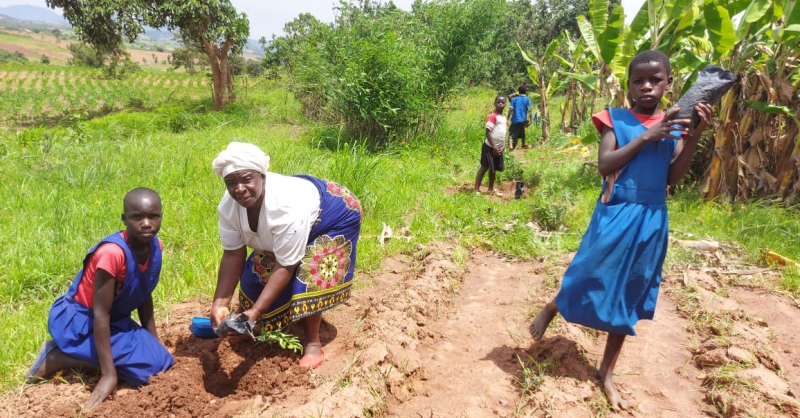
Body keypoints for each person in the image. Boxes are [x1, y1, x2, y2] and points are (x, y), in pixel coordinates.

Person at [528, 50, 714, 411]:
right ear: (627, 85)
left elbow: (672, 178)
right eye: (638, 80)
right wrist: (647, 135)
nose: (646, 87)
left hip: (652, 215)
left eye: (655, 80)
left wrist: (694, 135)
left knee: (629, 292)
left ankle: (607, 372)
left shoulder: (675, 122)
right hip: (616, 212)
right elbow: (605, 165)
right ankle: (554, 305)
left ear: (668, 83)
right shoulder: (614, 119)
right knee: (588, 272)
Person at [209, 142, 363, 370]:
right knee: (258, 269)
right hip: (300, 215)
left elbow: (285, 265)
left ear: (262, 176)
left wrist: (256, 311)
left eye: (246, 180)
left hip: (336, 215)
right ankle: (254, 322)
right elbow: (233, 254)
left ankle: (312, 341)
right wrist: (219, 302)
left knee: (311, 271)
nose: (239, 189)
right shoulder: (229, 206)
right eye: (231, 182)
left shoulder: (285, 208)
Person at [26, 188, 174, 410]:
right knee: (149, 369)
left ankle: (108, 361)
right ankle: (57, 357)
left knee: (162, 362)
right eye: (137, 217)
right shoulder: (112, 254)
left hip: (114, 320)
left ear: (161, 216)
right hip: (81, 322)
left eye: (154, 216)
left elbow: (144, 294)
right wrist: (108, 375)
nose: (146, 223)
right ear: (124, 219)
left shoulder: (155, 246)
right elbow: (100, 314)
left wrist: (155, 342)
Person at [474, 95, 507, 196]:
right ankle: (476, 189)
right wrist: (494, 147)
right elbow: (488, 132)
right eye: (498, 102)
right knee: (484, 167)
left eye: (503, 102)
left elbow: (504, 133)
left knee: (493, 169)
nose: (500, 104)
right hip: (489, 147)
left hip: (498, 148)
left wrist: (503, 145)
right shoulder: (492, 116)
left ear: (505, 104)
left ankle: (491, 188)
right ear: (495, 103)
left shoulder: (504, 118)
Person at [507, 84, 533, 150]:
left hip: (515, 120)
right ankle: (523, 144)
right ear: (526, 92)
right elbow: (530, 111)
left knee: (511, 135)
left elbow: (511, 110)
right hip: (523, 121)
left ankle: (510, 145)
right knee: (522, 133)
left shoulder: (514, 99)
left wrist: (507, 118)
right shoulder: (527, 99)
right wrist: (531, 121)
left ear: (518, 91)